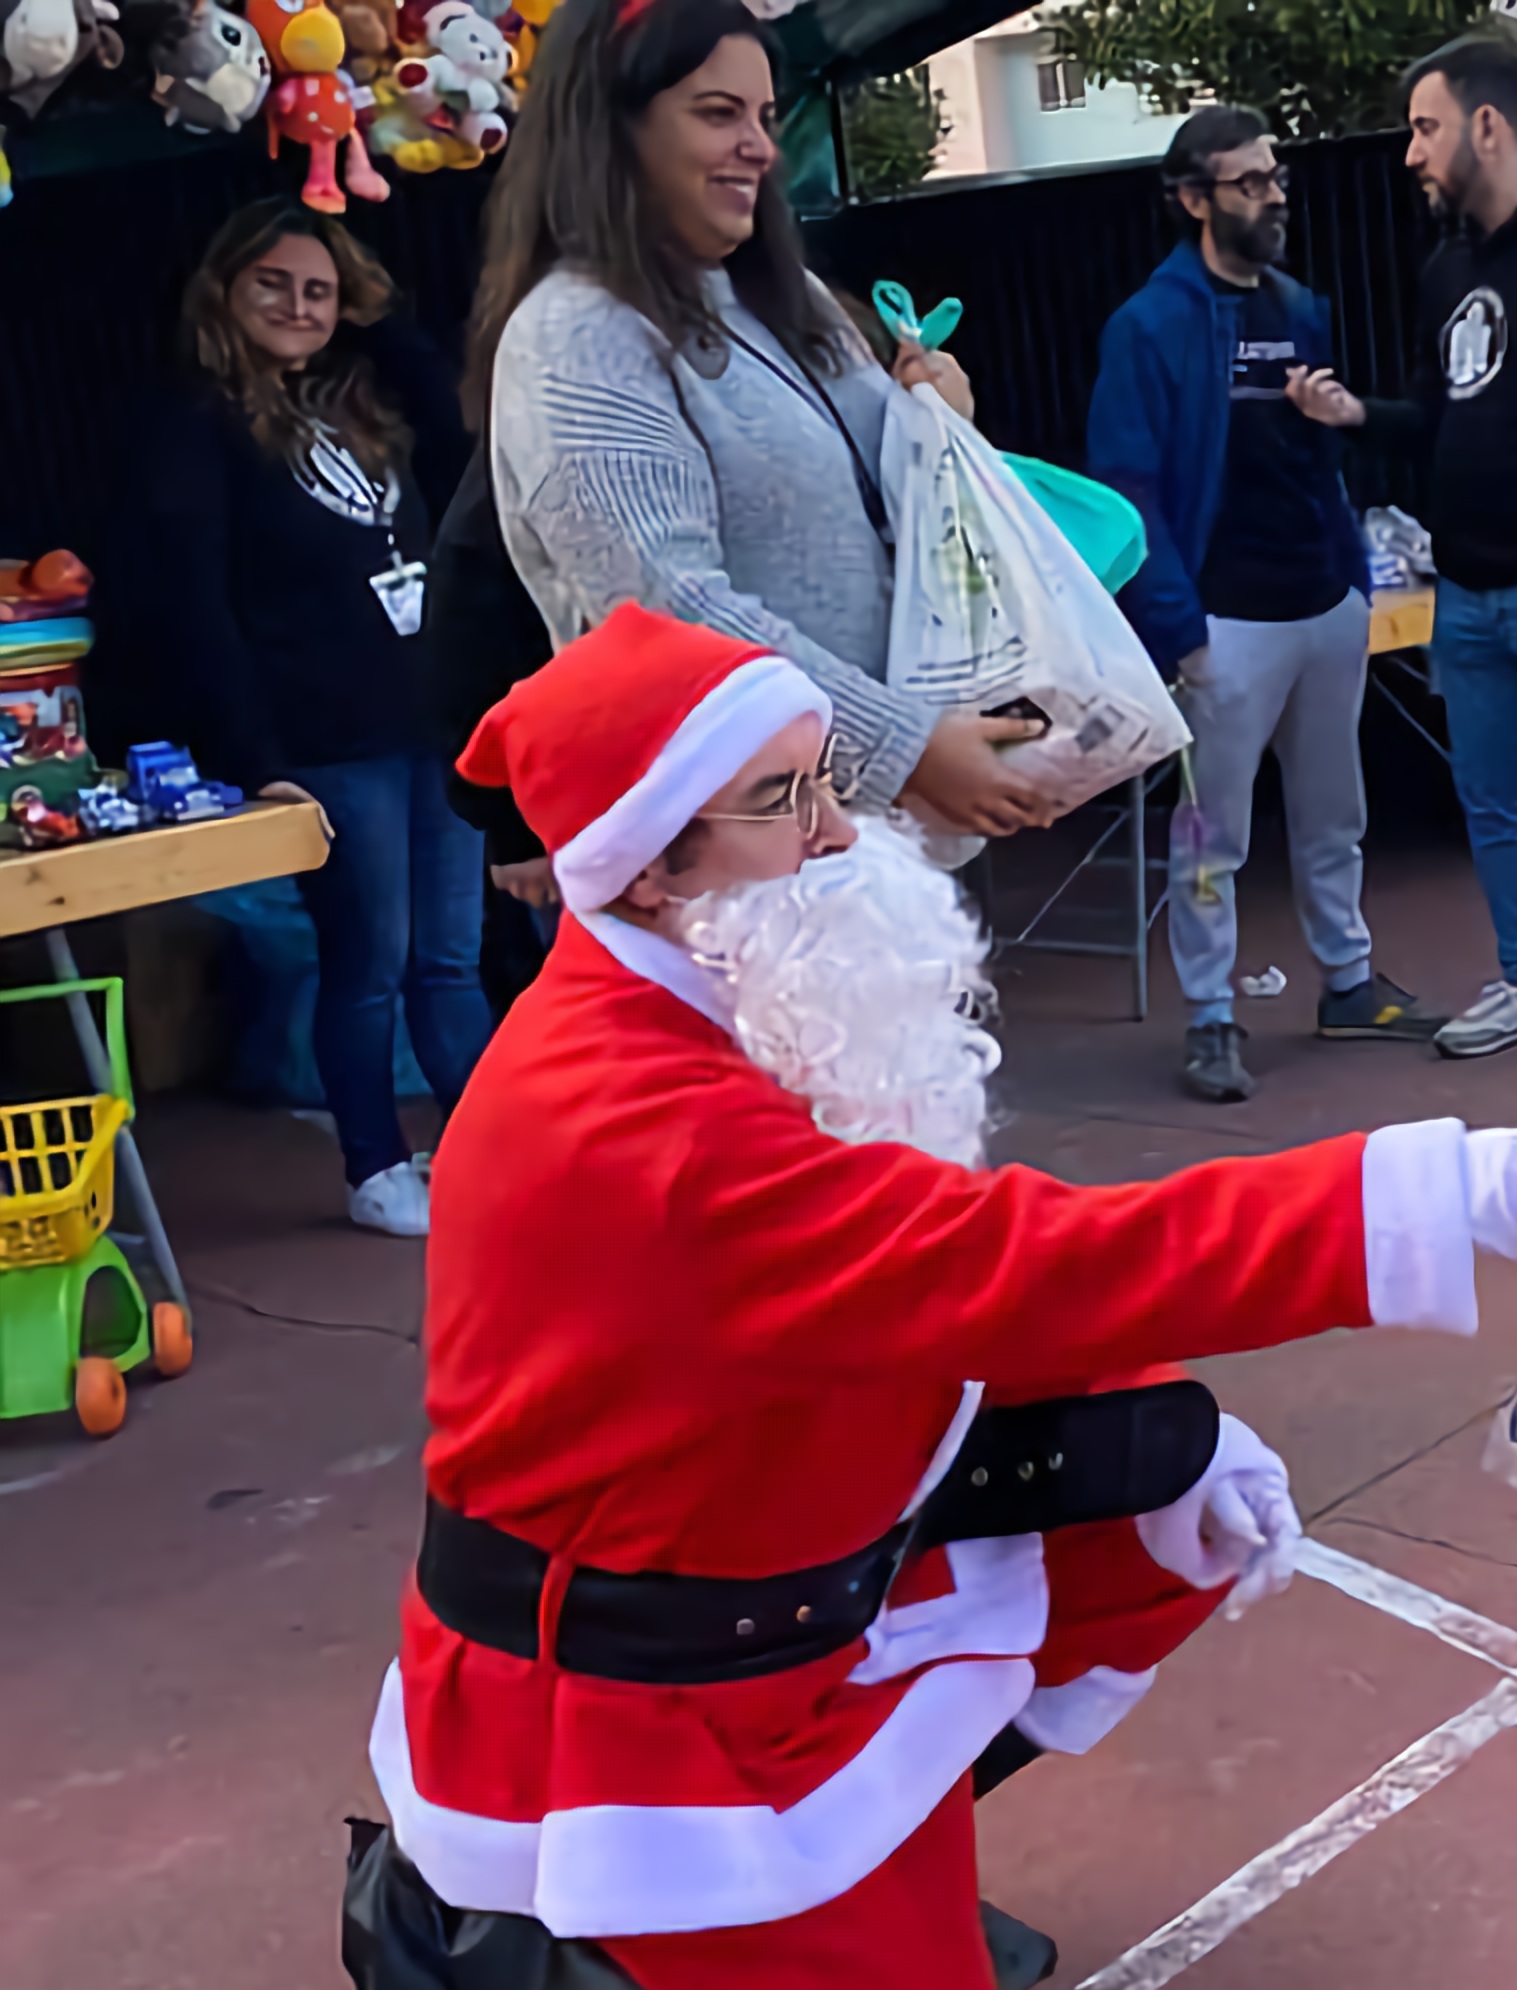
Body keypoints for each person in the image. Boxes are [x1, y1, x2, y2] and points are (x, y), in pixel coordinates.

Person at [343, 603, 1517, 1990]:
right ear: (653, 862)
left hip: (778, 1539)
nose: (839, 836)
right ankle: (504, 1959)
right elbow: (1016, 1267)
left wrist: (1177, 1413)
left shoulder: (713, 994)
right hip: (647, 1683)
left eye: (826, 782)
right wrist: (1410, 1196)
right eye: (782, 801)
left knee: (1159, 1483)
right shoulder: (644, 1117)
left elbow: (932, 1297)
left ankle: (848, 1876)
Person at [470, 0, 1049, 845]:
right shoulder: (576, 333)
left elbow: (890, 502)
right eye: (718, 113)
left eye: (766, 117)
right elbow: (668, 613)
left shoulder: (782, 297)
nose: (761, 146)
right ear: (611, 129)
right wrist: (903, 748)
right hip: (727, 864)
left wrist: (939, 419)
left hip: (861, 838)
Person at [1294, 33, 1517, 1074]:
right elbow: (1449, 416)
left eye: (1426, 127)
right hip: (1470, 586)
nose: (1411, 153)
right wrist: (1360, 414)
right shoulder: (1448, 266)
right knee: (1490, 798)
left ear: (1489, 126)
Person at [139, 199, 494, 1239]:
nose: (298, 307)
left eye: (318, 290)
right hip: (327, 743)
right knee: (370, 961)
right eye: (273, 285)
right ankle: (376, 1165)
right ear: (224, 291)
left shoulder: (361, 398)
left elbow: (458, 419)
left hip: (430, 720)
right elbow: (197, 607)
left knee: (453, 960)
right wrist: (258, 760)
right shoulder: (198, 424)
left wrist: (368, 312)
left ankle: (492, 1149)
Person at [1088, 103, 1439, 1106]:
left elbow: (1318, 449)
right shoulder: (1146, 327)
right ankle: (1209, 1013)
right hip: (1224, 623)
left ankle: (1350, 979)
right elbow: (1128, 490)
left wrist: (1354, 583)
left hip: (1323, 603)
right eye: (1249, 182)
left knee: (1338, 812)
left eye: (1276, 177)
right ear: (1193, 199)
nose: (1273, 196)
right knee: (1210, 833)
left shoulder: (1300, 303)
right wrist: (1181, 629)